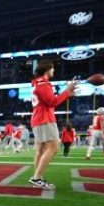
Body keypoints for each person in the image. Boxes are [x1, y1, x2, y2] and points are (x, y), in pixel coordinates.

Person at [28, 60, 78, 190]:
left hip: (38, 118)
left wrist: (67, 94)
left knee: (40, 149)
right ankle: (37, 178)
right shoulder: (43, 83)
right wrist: (66, 92)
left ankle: (37, 178)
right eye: (53, 68)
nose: (54, 71)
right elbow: (52, 102)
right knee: (53, 147)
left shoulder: (36, 83)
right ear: (47, 69)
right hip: (45, 119)